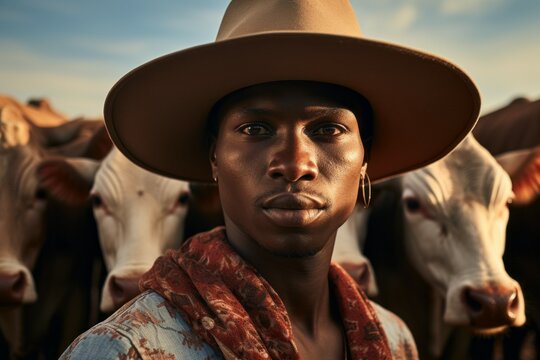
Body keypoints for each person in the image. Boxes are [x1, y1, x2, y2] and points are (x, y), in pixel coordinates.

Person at [61, 0, 480, 359]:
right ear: (214, 157)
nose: (295, 163)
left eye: (328, 130)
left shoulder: (394, 339)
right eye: (256, 129)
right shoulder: (125, 350)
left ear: (364, 158)